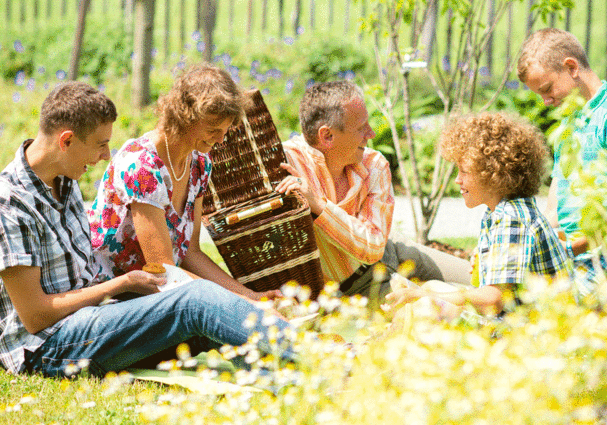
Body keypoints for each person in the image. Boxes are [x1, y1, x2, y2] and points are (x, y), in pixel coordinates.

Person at [0, 81, 291, 377]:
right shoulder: (9, 205)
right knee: (196, 300)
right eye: (101, 144)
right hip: (48, 347)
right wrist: (122, 284)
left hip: (94, 318)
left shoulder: (63, 178)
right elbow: (35, 316)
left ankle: (289, 376)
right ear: (66, 141)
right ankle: (316, 354)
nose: (106, 155)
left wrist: (248, 300)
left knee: (217, 320)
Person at [88, 64, 280, 301]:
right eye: (213, 129)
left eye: (225, 130)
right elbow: (163, 269)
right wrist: (241, 303)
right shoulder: (142, 165)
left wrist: (252, 296)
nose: (221, 139)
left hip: (160, 292)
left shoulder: (199, 163)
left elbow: (191, 252)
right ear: (185, 116)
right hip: (110, 297)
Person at [276, 80, 471, 301]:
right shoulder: (286, 163)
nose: (371, 134)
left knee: (477, 278)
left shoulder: (373, 164)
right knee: (444, 303)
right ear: (327, 136)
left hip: (388, 248)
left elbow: (374, 248)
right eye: (361, 128)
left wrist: (320, 206)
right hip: (357, 286)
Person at [384, 112, 573, 319]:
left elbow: (493, 300)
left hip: (533, 329)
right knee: (433, 288)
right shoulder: (503, 211)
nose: (457, 180)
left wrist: (422, 294)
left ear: (494, 174)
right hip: (523, 319)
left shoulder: (512, 218)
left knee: (427, 306)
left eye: (464, 171)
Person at [518, 28, 607, 294]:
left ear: (572, 67)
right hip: (577, 255)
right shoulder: (570, 123)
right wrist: (525, 245)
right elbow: (555, 212)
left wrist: (571, 248)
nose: (545, 100)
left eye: (547, 89)